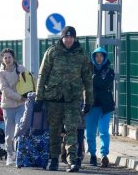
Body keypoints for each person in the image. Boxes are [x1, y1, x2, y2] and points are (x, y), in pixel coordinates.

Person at [34, 26, 93, 172]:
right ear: (61, 38)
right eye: (66, 37)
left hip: (73, 99)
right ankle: (54, 159)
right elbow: (43, 76)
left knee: (72, 130)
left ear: (75, 38)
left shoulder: (82, 55)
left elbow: (87, 79)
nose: (68, 40)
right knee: (54, 131)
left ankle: (72, 161)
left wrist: (89, 101)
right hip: (54, 98)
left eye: (71, 37)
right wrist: (39, 98)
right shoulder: (52, 52)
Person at [0, 48, 27, 166]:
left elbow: (30, 81)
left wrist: (27, 95)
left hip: (21, 105)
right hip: (8, 106)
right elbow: (5, 90)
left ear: (13, 58)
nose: (8, 60)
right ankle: (10, 154)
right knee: (9, 133)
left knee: (20, 129)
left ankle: (20, 154)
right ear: (2, 60)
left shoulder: (21, 69)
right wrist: (20, 97)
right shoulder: (0, 73)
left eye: (9, 57)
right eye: (5, 58)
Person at [86, 47, 115, 168]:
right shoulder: (88, 69)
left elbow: (104, 83)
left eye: (101, 56)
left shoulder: (109, 70)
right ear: (93, 57)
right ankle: (93, 154)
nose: (99, 58)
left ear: (104, 57)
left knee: (103, 131)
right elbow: (86, 84)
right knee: (90, 133)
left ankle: (104, 155)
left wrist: (93, 80)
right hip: (91, 105)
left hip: (105, 106)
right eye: (96, 56)